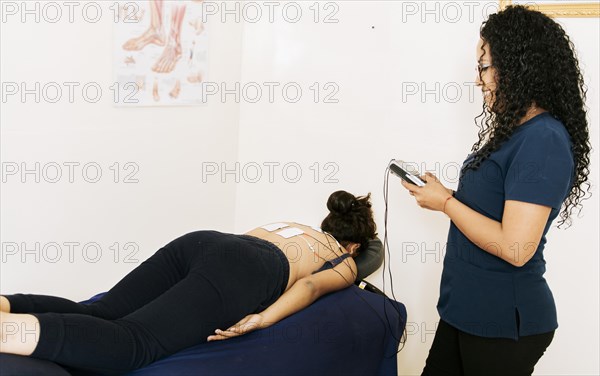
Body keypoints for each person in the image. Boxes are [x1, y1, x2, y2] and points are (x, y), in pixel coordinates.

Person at [400, 6, 591, 376]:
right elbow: (492, 206)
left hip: (503, 320)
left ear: (519, 66)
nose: (479, 79)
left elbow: (516, 248)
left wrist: (446, 204)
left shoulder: (544, 141)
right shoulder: (515, 131)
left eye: (484, 66)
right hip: (464, 310)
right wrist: (446, 195)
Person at [0, 190, 377, 374]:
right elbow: (308, 288)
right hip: (248, 269)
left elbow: (239, 251)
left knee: (102, 311)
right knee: (135, 343)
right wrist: (262, 318)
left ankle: (7, 303)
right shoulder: (343, 262)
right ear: (355, 244)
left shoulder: (293, 224)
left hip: (208, 241)